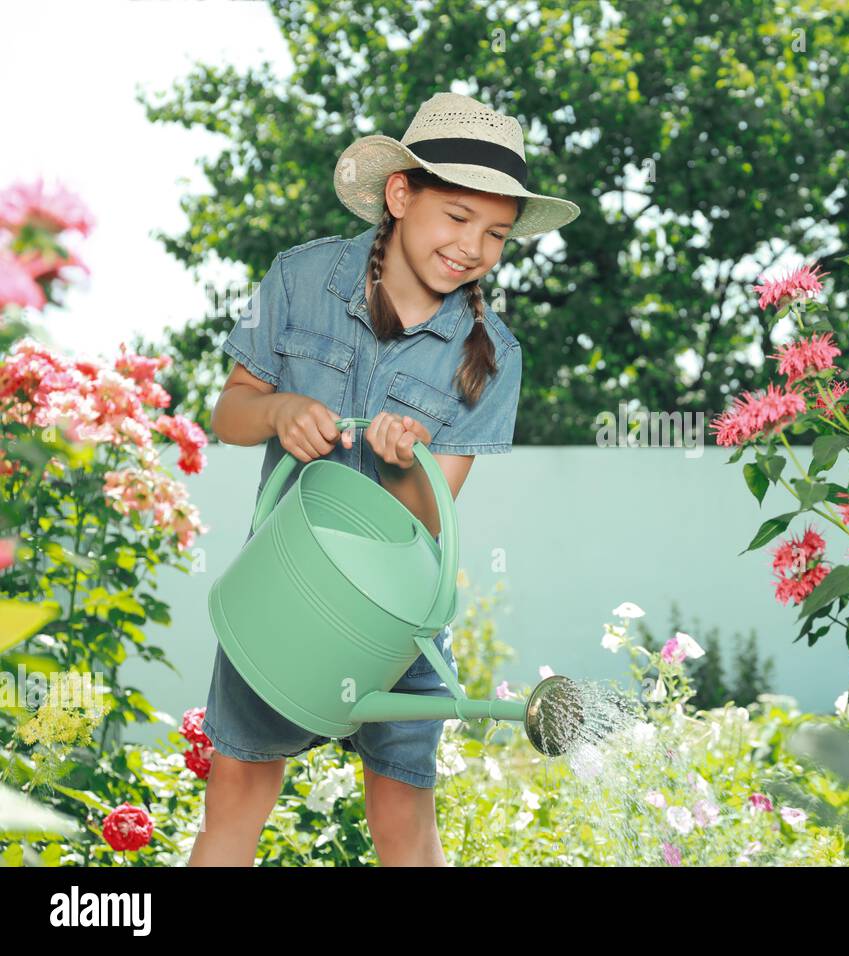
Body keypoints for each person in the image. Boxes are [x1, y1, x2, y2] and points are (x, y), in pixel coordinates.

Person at [188, 91, 580, 867]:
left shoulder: (491, 355)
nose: (473, 247)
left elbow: (425, 522)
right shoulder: (300, 280)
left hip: (398, 622)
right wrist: (278, 411)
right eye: (457, 216)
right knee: (234, 801)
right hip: (283, 593)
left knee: (404, 822)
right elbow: (227, 414)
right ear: (401, 195)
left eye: (497, 234)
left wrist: (410, 462)